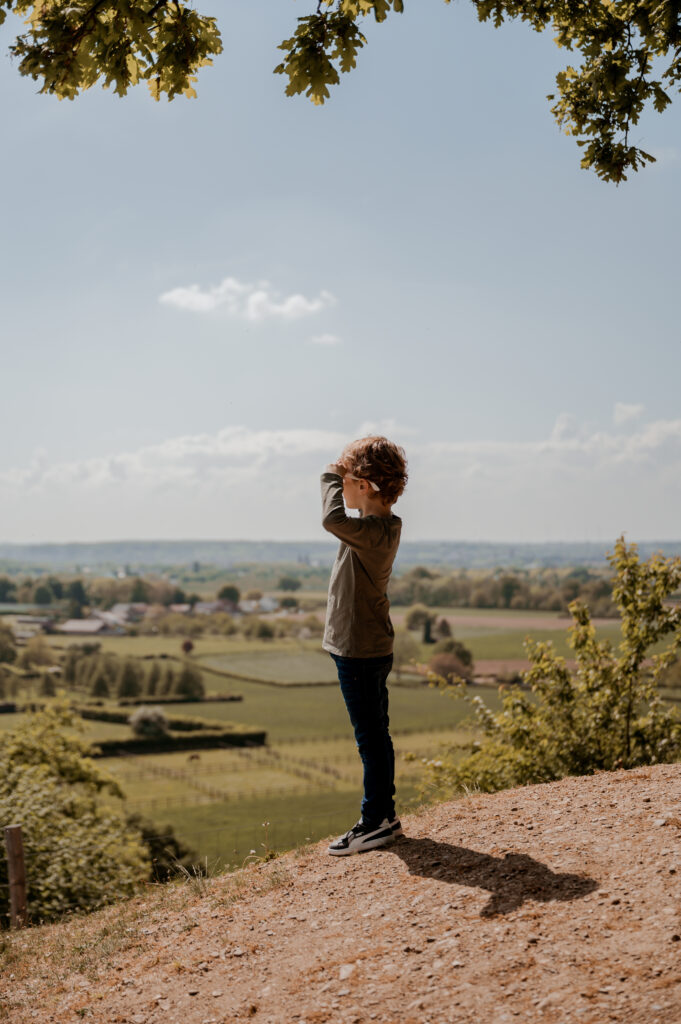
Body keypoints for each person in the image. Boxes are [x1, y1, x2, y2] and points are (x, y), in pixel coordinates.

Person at [320, 435, 408, 855]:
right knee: (375, 734)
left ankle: (375, 821)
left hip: (359, 650)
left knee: (370, 738)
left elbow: (331, 520)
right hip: (364, 646)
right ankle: (383, 815)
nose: (342, 484)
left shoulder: (374, 531)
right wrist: (346, 476)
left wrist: (328, 477)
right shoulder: (375, 528)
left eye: (349, 479)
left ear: (366, 486)